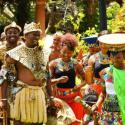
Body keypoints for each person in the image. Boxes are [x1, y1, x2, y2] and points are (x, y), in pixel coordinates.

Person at [0, 22, 47, 125]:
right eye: (33, 34)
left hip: (38, 92)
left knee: (37, 121)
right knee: (15, 120)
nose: (36, 37)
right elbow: (4, 75)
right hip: (19, 91)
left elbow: (46, 75)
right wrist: (3, 98)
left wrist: (49, 96)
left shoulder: (41, 52)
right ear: (25, 35)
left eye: (38, 34)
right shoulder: (13, 53)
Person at [49, 33, 85, 125]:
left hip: (74, 98)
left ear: (73, 52)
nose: (66, 55)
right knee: (61, 122)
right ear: (60, 50)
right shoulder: (53, 64)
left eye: (69, 52)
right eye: (64, 52)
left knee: (74, 121)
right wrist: (58, 80)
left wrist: (79, 86)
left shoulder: (76, 64)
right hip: (59, 98)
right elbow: (47, 81)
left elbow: (86, 80)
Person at [94, 33, 125, 125]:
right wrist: (97, 104)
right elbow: (103, 93)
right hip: (108, 113)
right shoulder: (106, 73)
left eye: (118, 57)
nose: (115, 60)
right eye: (112, 56)